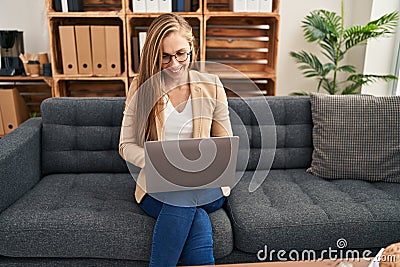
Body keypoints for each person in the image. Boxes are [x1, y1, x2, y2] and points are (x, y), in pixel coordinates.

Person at [119, 13, 232, 267]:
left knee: (184, 198)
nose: (174, 64)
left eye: (181, 54)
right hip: (158, 185)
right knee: (196, 216)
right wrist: (159, 162)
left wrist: (206, 163)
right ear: (153, 55)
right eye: (165, 56)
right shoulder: (141, 87)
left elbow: (224, 142)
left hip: (206, 185)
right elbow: (125, 145)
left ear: (192, 48)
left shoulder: (212, 85)